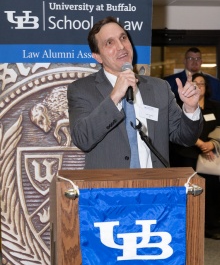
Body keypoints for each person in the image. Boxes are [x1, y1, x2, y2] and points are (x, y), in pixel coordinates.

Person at [67, 16, 202, 170]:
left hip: (155, 188)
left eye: (123, 38)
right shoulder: (82, 90)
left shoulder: (159, 88)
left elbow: (186, 138)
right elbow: (82, 139)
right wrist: (115, 96)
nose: (121, 46)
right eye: (109, 43)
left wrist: (191, 109)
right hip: (109, 190)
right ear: (97, 56)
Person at [169, 72, 220, 239]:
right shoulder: (179, 104)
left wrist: (211, 144)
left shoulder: (215, 106)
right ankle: (188, 228)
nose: (198, 86)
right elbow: (180, 128)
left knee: (211, 192)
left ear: (206, 88)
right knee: (189, 192)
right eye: (195, 83)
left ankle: (211, 227)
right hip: (187, 155)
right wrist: (200, 143)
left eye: (202, 83)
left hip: (210, 157)